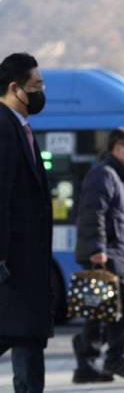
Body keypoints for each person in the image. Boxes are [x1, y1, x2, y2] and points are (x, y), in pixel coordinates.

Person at [72, 127, 124, 383]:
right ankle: (106, 357)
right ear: (117, 148)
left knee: (100, 308)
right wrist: (97, 248)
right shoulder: (104, 174)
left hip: (114, 254)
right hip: (104, 254)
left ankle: (88, 361)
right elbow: (93, 212)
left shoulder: (121, 175)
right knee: (114, 305)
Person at [0, 53, 53, 393]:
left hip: (26, 265)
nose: (41, 92)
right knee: (22, 335)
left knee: (27, 338)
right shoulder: (3, 127)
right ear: (15, 88)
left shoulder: (20, 127)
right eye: (36, 86)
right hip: (14, 263)